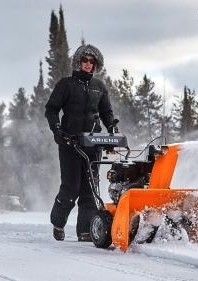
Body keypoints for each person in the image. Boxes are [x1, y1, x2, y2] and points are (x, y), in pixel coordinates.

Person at [45, 44, 116, 242]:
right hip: (70, 142)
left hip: (93, 144)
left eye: (91, 62)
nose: (87, 64)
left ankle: (85, 231)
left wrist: (112, 129)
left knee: (90, 189)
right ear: (78, 62)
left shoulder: (99, 87)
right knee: (71, 187)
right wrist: (57, 130)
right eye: (84, 60)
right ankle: (58, 222)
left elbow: (106, 113)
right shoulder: (66, 84)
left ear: (96, 65)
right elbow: (51, 109)